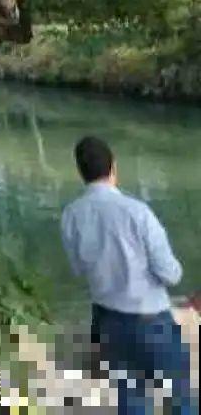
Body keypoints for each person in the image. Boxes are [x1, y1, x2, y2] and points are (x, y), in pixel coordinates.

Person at [61, 135, 197, 415]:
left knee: (130, 401)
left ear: (80, 172)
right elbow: (171, 274)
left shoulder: (71, 215)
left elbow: (78, 268)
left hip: (109, 323)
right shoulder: (138, 212)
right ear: (114, 167)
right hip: (152, 323)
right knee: (179, 400)